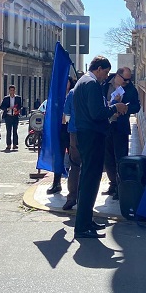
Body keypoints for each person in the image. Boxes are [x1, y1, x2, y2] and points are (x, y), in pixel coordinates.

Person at [73, 56, 128, 239]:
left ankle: (86, 220)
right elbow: (96, 113)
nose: (106, 77)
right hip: (92, 135)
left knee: (89, 179)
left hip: (87, 134)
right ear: (98, 69)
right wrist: (115, 107)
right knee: (90, 180)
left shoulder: (84, 81)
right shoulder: (91, 84)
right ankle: (82, 226)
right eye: (105, 72)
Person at [100, 67, 140, 200]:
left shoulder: (130, 88)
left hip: (120, 125)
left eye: (129, 80)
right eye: (125, 79)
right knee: (108, 158)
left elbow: (137, 106)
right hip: (106, 125)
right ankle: (113, 184)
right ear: (117, 76)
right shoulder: (105, 84)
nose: (127, 82)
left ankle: (120, 187)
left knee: (120, 158)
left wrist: (125, 108)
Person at [48, 77, 76, 195]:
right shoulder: (57, 97)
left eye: (67, 82)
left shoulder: (73, 95)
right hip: (60, 130)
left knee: (73, 157)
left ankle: (74, 185)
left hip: (71, 130)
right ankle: (56, 183)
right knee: (58, 156)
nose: (66, 84)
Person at [62, 76, 80, 211]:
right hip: (89, 133)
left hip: (74, 132)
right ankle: (84, 198)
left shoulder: (72, 93)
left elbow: (66, 115)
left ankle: (71, 197)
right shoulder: (94, 90)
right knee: (88, 167)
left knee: (74, 165)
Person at [0, 85, 22, 151]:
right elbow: (1, 107)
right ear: (9, 91)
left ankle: (15, 144)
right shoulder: (6, 98)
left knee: (15, 130)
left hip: (15, 116)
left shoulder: (18, 98)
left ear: (15, 90)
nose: (12, 92)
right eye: (11, 90)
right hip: (8, 116)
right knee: (8, 131)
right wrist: (7, 108)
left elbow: (20, 106)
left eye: (13, 90)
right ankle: (8, 145)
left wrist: (17, 109)